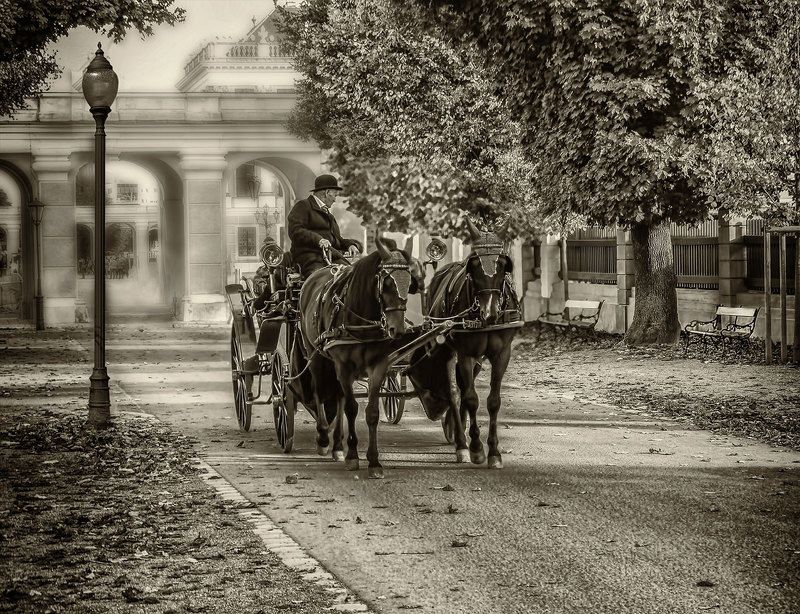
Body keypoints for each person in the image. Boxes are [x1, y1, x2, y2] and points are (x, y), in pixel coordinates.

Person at [287, 174, 363, 277]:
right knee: (323, 279)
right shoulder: (303, 206)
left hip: (333, 258)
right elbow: (295, 231)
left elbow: (337, 239)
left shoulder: (329, 215)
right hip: (311, 258)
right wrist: (319, 240)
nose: (335, 199)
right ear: (327, 192)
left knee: (354, 275)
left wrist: (351, 245)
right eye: (335, 195)